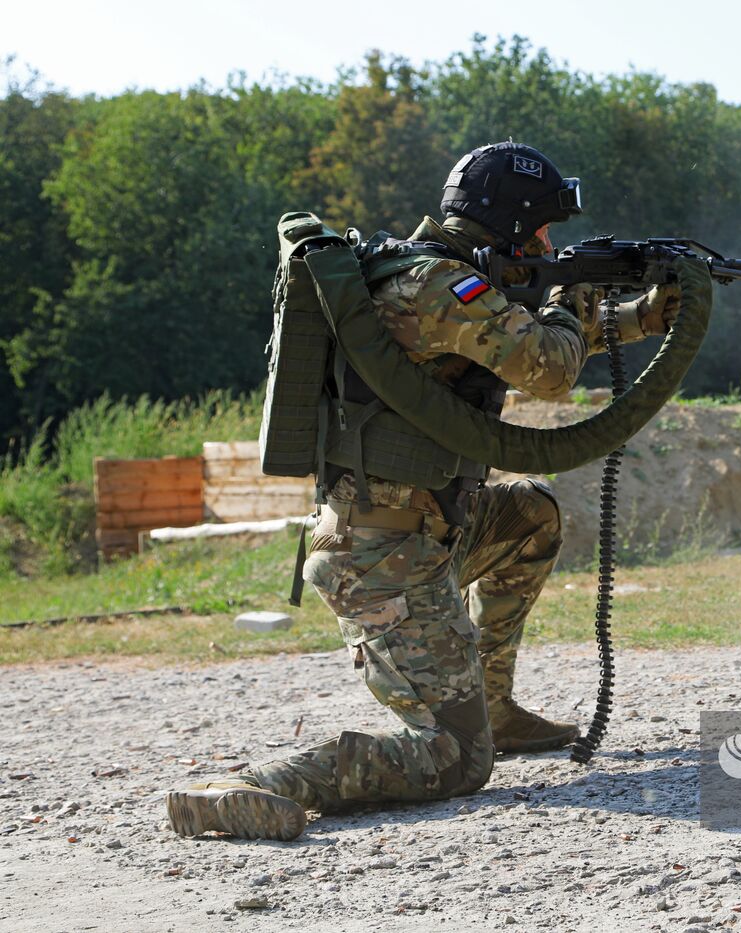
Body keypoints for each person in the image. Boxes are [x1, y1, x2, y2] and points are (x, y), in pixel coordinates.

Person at [165, 142, 681, 841]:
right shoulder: (433, 285)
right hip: (381, 560)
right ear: (512, 223)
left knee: (530, 513)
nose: (551, 244)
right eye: (544, 230)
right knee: (455, 760)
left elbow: (517, 340)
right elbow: (548, 365)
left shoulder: (447, 278)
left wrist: (644, 314)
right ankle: (252, 783)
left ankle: (490, 704)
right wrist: (575, 294)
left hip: (422, 534)